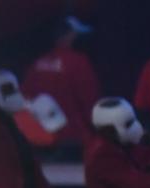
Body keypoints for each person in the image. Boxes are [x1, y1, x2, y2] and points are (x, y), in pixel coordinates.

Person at [22, 16, 101, 146]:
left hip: (42, 140)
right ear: (69, 36)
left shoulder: (38, 63)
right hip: (74, 139)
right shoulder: (79, 62)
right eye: (77, 35)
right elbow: (90, 101)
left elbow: (25, 99)